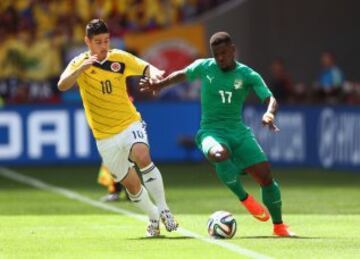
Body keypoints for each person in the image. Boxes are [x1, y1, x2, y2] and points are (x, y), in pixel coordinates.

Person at [140, 31, 295, 237]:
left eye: (223, 53)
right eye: (216, 54)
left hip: (238, 132)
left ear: (232, 50)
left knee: (266, 177)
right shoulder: (205, 67)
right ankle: (244, 198)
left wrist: (269, 113)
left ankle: (279, 226)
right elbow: (181, 74)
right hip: (210, 132)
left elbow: (270, 98)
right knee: (218, 154)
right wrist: (159, 84)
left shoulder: (247, 74)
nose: (220, 58)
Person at [57, 19, 178, 237]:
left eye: (106, 41)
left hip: (129, 122)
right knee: (131, 185)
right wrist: (80, 70)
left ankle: (164, 209)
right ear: (87, 42)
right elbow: (62, 85)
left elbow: (145, 67)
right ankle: (152, 217)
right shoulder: (79, 63)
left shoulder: (119, 58)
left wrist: (154, 72)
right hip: (104, 136)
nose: (103, 46)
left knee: (142, 155)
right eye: (98, 42)